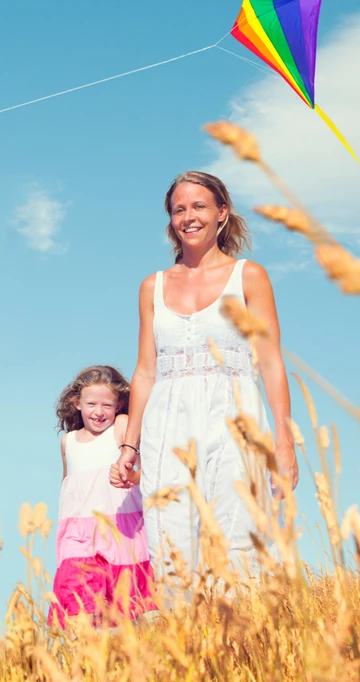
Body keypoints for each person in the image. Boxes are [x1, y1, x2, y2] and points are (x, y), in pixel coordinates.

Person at [111, 170, 298, 586]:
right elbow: (145, 370)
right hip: (168, 422)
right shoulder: (151, 287)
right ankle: (186, 643)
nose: (188, 217)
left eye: (198, 206)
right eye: (179, 209)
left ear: (221, 213)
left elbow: (269, 361)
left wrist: (283, 442)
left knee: (239, 538)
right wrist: (129, 445)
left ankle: (244, 644)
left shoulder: (249, 276)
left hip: (236, 416)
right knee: (172, 543)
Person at [48, 365, 156, 629]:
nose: (99, 412)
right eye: (91, 404)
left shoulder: (120, 427)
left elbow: (149, 471)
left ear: (119, 404)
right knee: (77, 606)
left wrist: (131, 477)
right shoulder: (68, 442)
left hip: (121, 531)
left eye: (107, 405)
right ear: (77, 403)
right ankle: (81, 661)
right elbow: (68, 485)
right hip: (79, 535)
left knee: (127, 615)